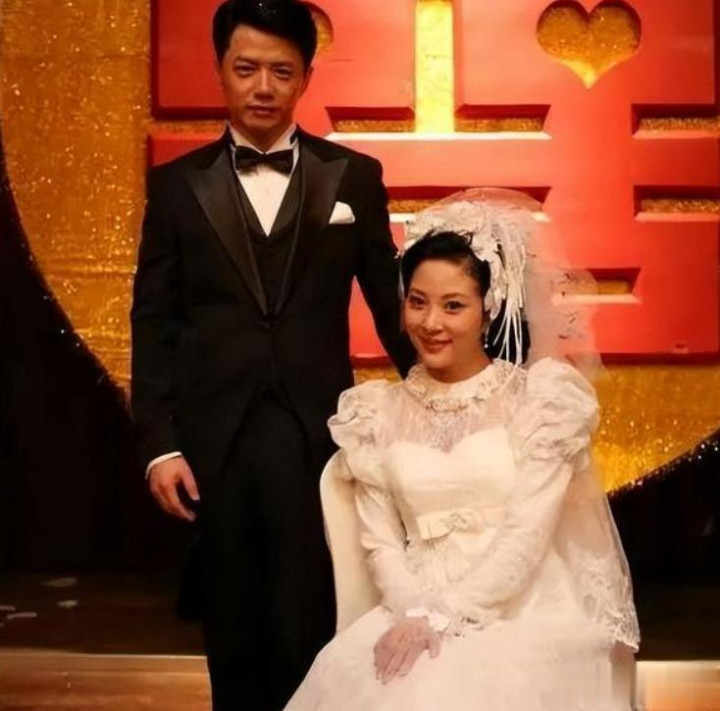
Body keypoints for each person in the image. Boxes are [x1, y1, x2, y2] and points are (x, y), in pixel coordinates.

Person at [130, 1, 414, 709]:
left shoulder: (353, 177)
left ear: (306, 78)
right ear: (220, 71)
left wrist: (459, 400)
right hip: (213, 440)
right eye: (246, 68)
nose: (263, 87)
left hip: (316, 435)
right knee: (231, 627)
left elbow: (391, 303)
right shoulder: (175, 186)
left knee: (310, 617)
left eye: (281, 72)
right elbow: (154, 319)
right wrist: (160, 444)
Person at [285, 189, 640, 710]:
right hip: (411, 603)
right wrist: (415, 611)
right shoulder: (374, 413)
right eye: (418, 302)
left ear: (488, 309)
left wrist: (446, 615)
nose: (431, 323)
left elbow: (527, 535)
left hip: (523, 607)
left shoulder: (540, 402)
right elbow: (381, 544)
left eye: (453, 306)